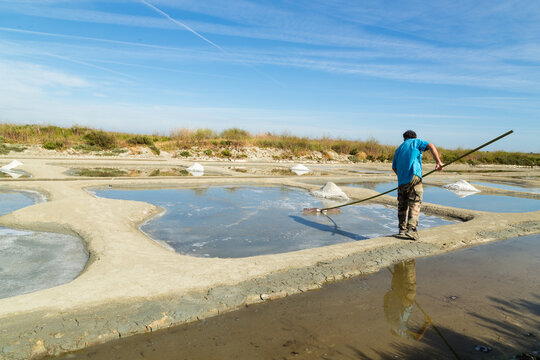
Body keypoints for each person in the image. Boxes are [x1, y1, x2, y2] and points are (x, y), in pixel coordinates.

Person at [392, 130, 443, 240]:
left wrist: (402, 176)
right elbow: (430, 145)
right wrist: (438, 161)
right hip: (414, 177)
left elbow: (394, 167)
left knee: (402, 206)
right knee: (415, 203)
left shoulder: (399, 149)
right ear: (414, 137)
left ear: (404, 138)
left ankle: (402, 230)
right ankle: (412, 229)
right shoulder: (416, 142)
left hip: (402, 182)